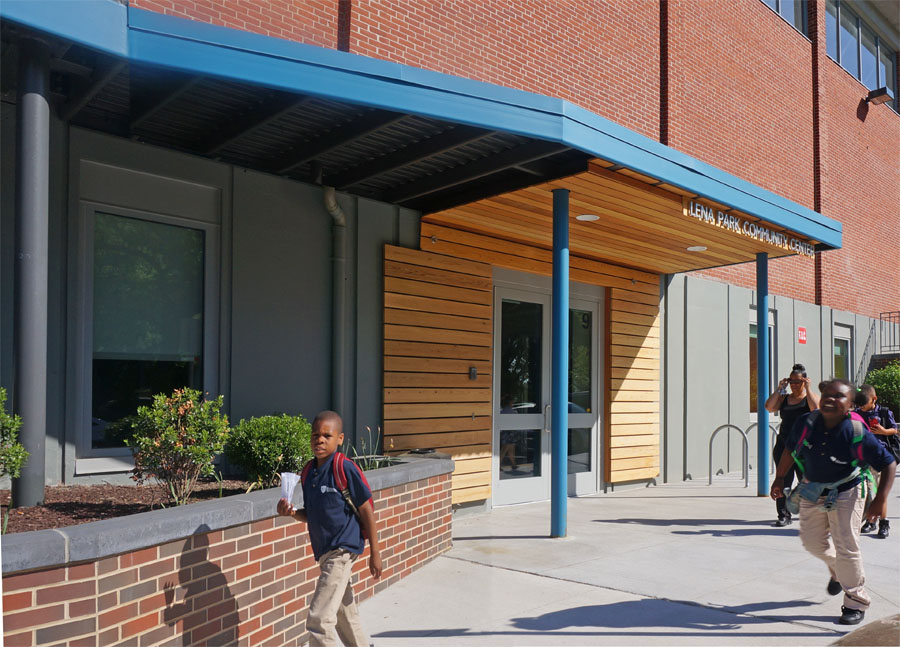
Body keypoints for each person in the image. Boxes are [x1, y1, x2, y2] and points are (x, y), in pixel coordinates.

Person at [770, 378, 896, 626]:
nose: (830, 398)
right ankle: (839, 572)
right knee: (812, 543)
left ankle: (855, 601)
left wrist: (880, 499)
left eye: (838, 396)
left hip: (848, 489)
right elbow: (789, 449)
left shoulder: (856, 430)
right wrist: (779, 478)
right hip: (813, 489)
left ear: (850, 404)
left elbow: (888, 462)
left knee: (847, 546)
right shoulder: (805, 422)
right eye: (827, 394)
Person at [277, 410, 381, 647]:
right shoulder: (308, 472)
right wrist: (291, 513)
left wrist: (376, 552)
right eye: (315, 435)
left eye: (327, 435)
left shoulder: (344, 468)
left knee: (318, 620)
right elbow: (311, 515)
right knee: (345, 614)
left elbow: (367, 510)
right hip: (325, 554)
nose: (320, 440)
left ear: (340, 439)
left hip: (342, 551)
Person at [765, 363, 819, 526]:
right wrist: (780, 388)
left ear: (805, 381)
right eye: (791, 381)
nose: (794, 385)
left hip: (805, 447)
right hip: (784, 444)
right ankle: (783, 514)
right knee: (783, 479)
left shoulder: (810, 396)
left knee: (806, 481)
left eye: (798, 381)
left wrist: (808, 389)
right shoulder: (785, 398)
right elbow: (769, 407)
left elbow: (815, 409)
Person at [854, 384, 899, 539]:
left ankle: (883, 523)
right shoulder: (856, 413)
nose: (860, 406)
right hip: (863, 459)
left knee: (881, 492)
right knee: (867, 492)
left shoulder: (884, 412)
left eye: (863, 402)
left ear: (874, 399)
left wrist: (883, 431)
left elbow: (894, 429)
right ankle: (870, 521)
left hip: (881, 458)